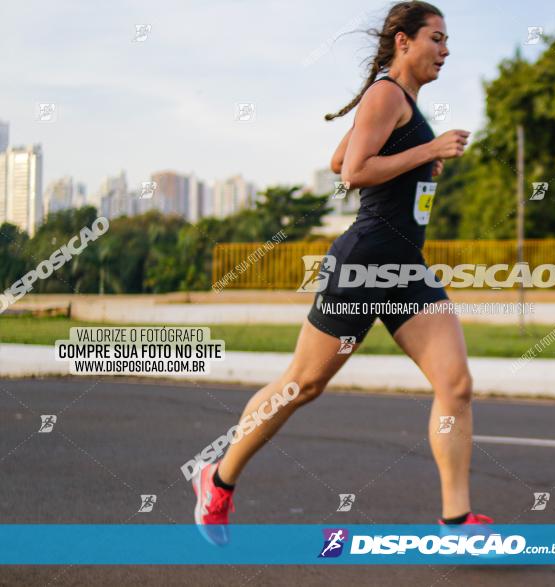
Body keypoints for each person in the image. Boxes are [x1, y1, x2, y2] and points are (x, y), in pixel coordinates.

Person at [192, 1, 492, 546]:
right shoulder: (386, 94)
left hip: (406, 269)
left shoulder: (399, 103)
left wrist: (417, 158)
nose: (445, 51)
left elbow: (340, 157)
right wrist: (428, 148)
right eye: (437, 39)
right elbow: (353, 173)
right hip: (363, 264)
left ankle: (455, 522)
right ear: (403, 41)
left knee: (456, 385)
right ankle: (217, 478)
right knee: (301, 385)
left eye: (448, 42)